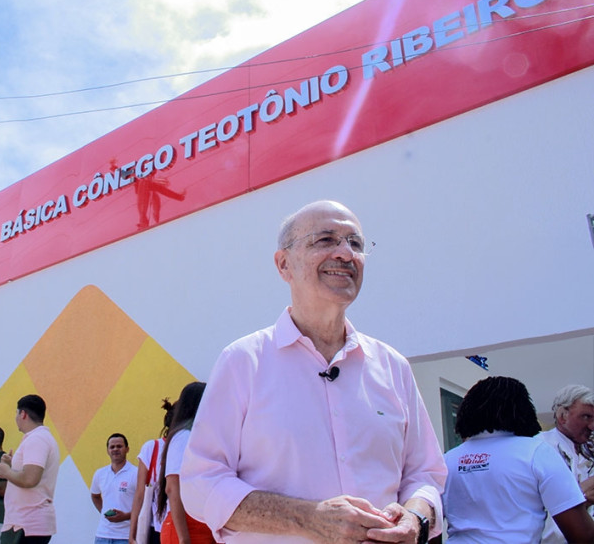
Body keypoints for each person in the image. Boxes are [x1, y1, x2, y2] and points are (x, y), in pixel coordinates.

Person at [180, 200, 446, 544]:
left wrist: (415, 517)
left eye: (356, 243)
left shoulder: (393, 366)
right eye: (325, 240)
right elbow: (202, 483)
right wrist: (307, 519)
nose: (346, 254)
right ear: (284, 264)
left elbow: (426, 474)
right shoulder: (243, 361)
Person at [443, 376, 594, 543]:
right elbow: (582, 534)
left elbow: (432, 527)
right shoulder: (537, 452)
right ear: (523, 410)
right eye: (586, 417)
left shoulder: (448, 459)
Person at [0, 394, 60, 544]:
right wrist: (11, 466)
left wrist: (6, 471)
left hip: (26, 525)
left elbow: (30, 478)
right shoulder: (39, 438)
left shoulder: (37, 439)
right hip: (25, 523)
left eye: (16, 413)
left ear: (23, 414)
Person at [156, 382, 213, 544]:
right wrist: (183, 538)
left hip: (201, 523)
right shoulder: (183, 437)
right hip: (186, 527)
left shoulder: (197, 435)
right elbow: (172, 488)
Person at [538, 384, 594, 543]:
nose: (592, 426)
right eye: (586, 417)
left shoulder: (586, 451)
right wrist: (581, 496)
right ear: (562, 415)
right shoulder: (540, 448)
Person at [129, 399, 174, 544]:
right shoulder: (151, 447)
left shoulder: (191, 447)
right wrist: (132, 533)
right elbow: (140, 494)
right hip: (157, 528)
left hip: (185, 526)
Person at [91, 433, 138, 544]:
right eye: (112, 447)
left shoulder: (136, 473)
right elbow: (95, 496)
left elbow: (146, 504)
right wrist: (104, 512)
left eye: (119, 446)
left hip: (126, 536)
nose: (115, 449)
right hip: (102, 535)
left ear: (127, 449)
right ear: (107, 450)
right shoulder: (100, 474)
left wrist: (126, 516)